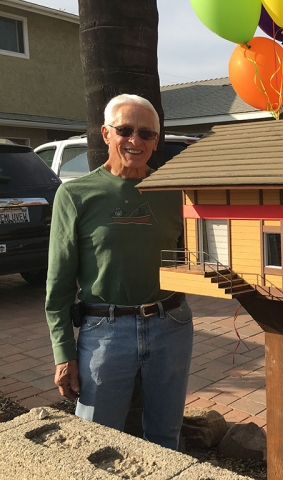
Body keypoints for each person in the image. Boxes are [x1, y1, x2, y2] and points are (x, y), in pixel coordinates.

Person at [45, 94, 192, 450]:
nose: (136, 141)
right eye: (125, 130)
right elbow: (59, 283)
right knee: (96, 441)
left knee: (164, 439)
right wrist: (64, 352)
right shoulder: (76, 194)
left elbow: (199, 255)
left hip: (170, 325)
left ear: (157, 140)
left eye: (146, 133)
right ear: (105, 133)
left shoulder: (175, 191)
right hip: (104, 332)